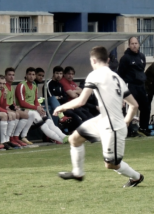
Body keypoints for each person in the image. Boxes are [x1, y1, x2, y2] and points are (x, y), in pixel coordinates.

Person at [54, 46, 144, 188]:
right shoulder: (117, 78)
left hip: (113, 126)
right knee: (74, 139)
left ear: (93, 60)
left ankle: (136, 177)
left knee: (111, 165)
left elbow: (81, 101)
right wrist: (126, 120)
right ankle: (77, 173)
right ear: (107, 60)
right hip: (103, 120)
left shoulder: (95, 75)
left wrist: (61, 107)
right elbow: (134, 105)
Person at [15, 67, 69, 144]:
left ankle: (64, 136)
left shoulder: (34, 86)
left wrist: (40, 108)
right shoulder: (21, 85)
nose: (31, 76)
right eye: (29, 74)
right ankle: (60, 140)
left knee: (49, 121)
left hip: (33, 109)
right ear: (26, 75)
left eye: (33, 74)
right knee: (43, 125)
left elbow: (35, 101)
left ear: (35, 76)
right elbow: (22, 103)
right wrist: (36, 107)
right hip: (24, 110)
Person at [118, 37, 150, 135]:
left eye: (136, 43)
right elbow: (120, 74)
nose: (134, 45)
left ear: (139, 44)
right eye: (132, 43)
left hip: (141, 86)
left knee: (146, 107)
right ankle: (129, 129)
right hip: (130, 85)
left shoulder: (141, 56)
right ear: (129, 45)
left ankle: (143, 128)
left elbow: (142, 69)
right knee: (131, 108)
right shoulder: (125, 58)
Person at [44, 66, 83, 132]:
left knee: (80, 113)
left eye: (60, 74)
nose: (59, 75)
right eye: (57, 73)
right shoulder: (48, 84)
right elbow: (51, 97)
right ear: (53, 73)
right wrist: (60, 97)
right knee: (73, 115)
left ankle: (80, 132)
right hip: (52, 105)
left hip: (62, 105)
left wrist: (59, 97)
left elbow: (65, 98)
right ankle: (62, 118)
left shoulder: (60, 85)